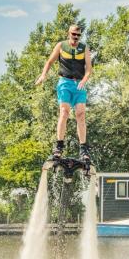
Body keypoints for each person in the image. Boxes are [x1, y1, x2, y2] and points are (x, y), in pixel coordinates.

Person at [35, 24, 92, 161]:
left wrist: (83, 81)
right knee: (64, 112)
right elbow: (49, 62)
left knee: (81, 114)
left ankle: (83, 149)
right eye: (74, 34)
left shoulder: (84, 48)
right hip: (64, 83)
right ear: (69, 33)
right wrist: (43, 75)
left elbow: (89, 69)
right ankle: (59, 147)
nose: (76, 37)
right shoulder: (61, 45)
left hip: (79, 84)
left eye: (78, 35)